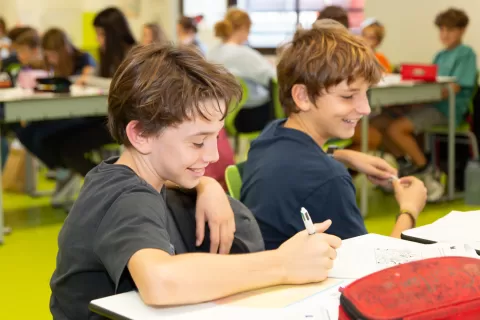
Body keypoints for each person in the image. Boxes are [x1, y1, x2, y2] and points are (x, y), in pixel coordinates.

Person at [49, 43, 342, 319]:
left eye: (216, 137)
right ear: (140, 135)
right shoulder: (124, 197)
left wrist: (206, 184)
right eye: (198, 142)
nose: (214, 154)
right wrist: (282, 264)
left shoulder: (131, 175)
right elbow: (159, 280)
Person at [240, 20, 427, 250]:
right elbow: (376, 269)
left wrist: (343, 155)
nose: (365, 109)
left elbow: (301, 161)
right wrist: (409, 210)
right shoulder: (329, 179)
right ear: (303, 96)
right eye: (348, 96)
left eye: (365, 94)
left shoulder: (271, 134)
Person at [385, 8, 477, 201]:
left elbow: (455, 87)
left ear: (461, 30)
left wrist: (426, 96)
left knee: (396, 129)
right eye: (442, 30)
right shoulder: (440, 55)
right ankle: (409, 166)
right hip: (432, 106)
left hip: (448, 110)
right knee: (384, 122)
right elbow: (430, 81)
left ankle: (425, 170)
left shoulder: (466, 54)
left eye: (450, 30)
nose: (444, 34)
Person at [208, 8, 276, 133]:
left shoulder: (212, 53)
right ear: (244, 28)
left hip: (222, 115)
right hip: (249, 117)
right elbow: (272, 77)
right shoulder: (244, 54)